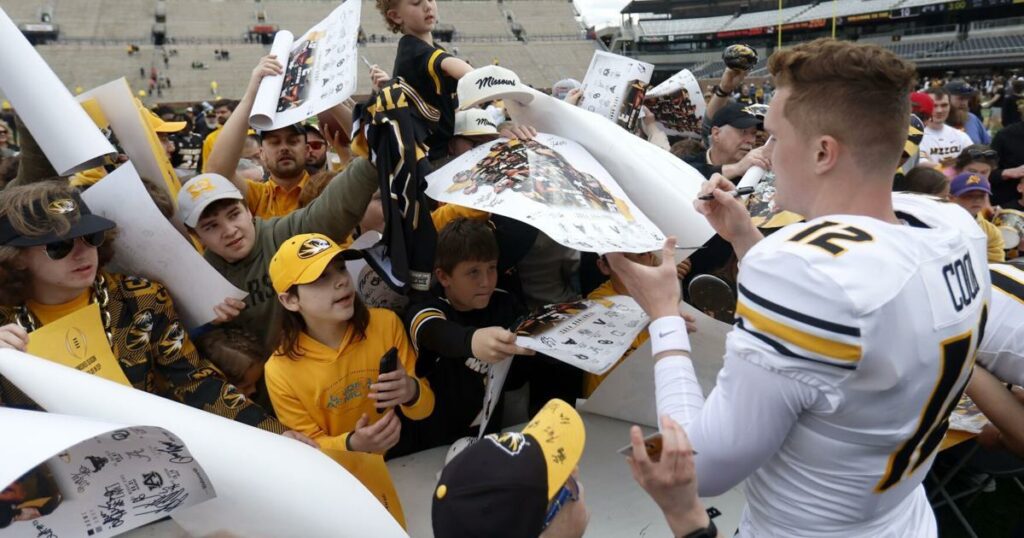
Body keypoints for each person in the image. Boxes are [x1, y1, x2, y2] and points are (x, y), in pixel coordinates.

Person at [606, 39, 988, 536]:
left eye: (773, 137)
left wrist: (662, 314)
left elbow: (701, 466)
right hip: (902, 516)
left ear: (822, 151)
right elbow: (867, 311)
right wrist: (746, 238)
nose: (764, 153)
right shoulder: (949, 227)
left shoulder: (802, 273)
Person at [0, 182, 296, 438]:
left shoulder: (141, 298)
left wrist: (276, 434)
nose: (83, 252)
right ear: (17, 257)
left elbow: (194, 382)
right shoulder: (4, 326)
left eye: (91, 237)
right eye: (59, 246)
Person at [264, 233, 434, 527]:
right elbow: (308, 450)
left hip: (405, 462)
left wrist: (410, 390)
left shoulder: (385, 324)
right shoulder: (279, 370)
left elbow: (424, 409)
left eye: (341, 268)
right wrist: (353, 443)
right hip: (341, 483)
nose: (341, 281)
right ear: (290, 300)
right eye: (320, 278)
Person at [175, 155, 378, 356]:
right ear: (195, 236)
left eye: (233, 214)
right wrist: (207, 322)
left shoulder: (283, 234)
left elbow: (330, 212)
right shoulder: (202, 281)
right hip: (270, 383)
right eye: (211, 226)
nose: (229, 230)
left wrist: (372, 159)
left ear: (248, 210)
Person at [403, 218, 533, 448]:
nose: (485, 281)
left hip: (491, 440)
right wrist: (472, 341)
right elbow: (432, 330)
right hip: (432, 446)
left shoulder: (505, 302)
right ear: (443, 277)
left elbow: (522, 370)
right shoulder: (424, 306)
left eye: (491, 268)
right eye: (473, 272)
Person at [206, 56, 349, 219]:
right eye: (274, 142)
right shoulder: (257, 196)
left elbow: (367, 159)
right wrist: (251, 95)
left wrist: (325, 94)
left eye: (293, 141)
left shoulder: (327, 188)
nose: (284, 147)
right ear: (261, 154)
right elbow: (217, 174)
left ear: (306, 150)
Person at [376, 0, 475, 161]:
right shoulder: (413, 51)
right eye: (416, 2)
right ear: (395, 16)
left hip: (444, 151)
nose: (428, 6)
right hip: (433, 161)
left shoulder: (432, 48)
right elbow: (470, 75)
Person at [682, 102, 770, 181]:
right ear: (716, 134)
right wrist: (736, 169)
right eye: (743, 131)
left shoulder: (755, 174)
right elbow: (686, 177)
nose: (751, 140)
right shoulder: (686, 164)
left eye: (753, 133)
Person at [948, 172, 1005, 262]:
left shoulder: (990, 231)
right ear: (951, 198)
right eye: (969, 196)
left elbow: (995, 264)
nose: (977, 200)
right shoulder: (939, 224)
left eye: (981, 196)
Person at [920, 87, 973, 167]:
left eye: (944, 105)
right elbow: (920, 164)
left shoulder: (961, 136)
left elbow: (973, 161)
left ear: (950, 106)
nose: (939, 110)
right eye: (934, 105)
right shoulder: (915, 136)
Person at [946, 80, 990, 145]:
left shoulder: (972, 119)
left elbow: (987, 144)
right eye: (960, 98)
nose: (964, 103)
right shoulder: (936, 123)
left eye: (967, 99)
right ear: (947, 98)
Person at [198, 98, 235, 172]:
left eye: (223, 112)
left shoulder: (248, 134)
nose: (219, 115)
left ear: (233, 112)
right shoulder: (211, 138)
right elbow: (206, 165)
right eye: (217, 113)